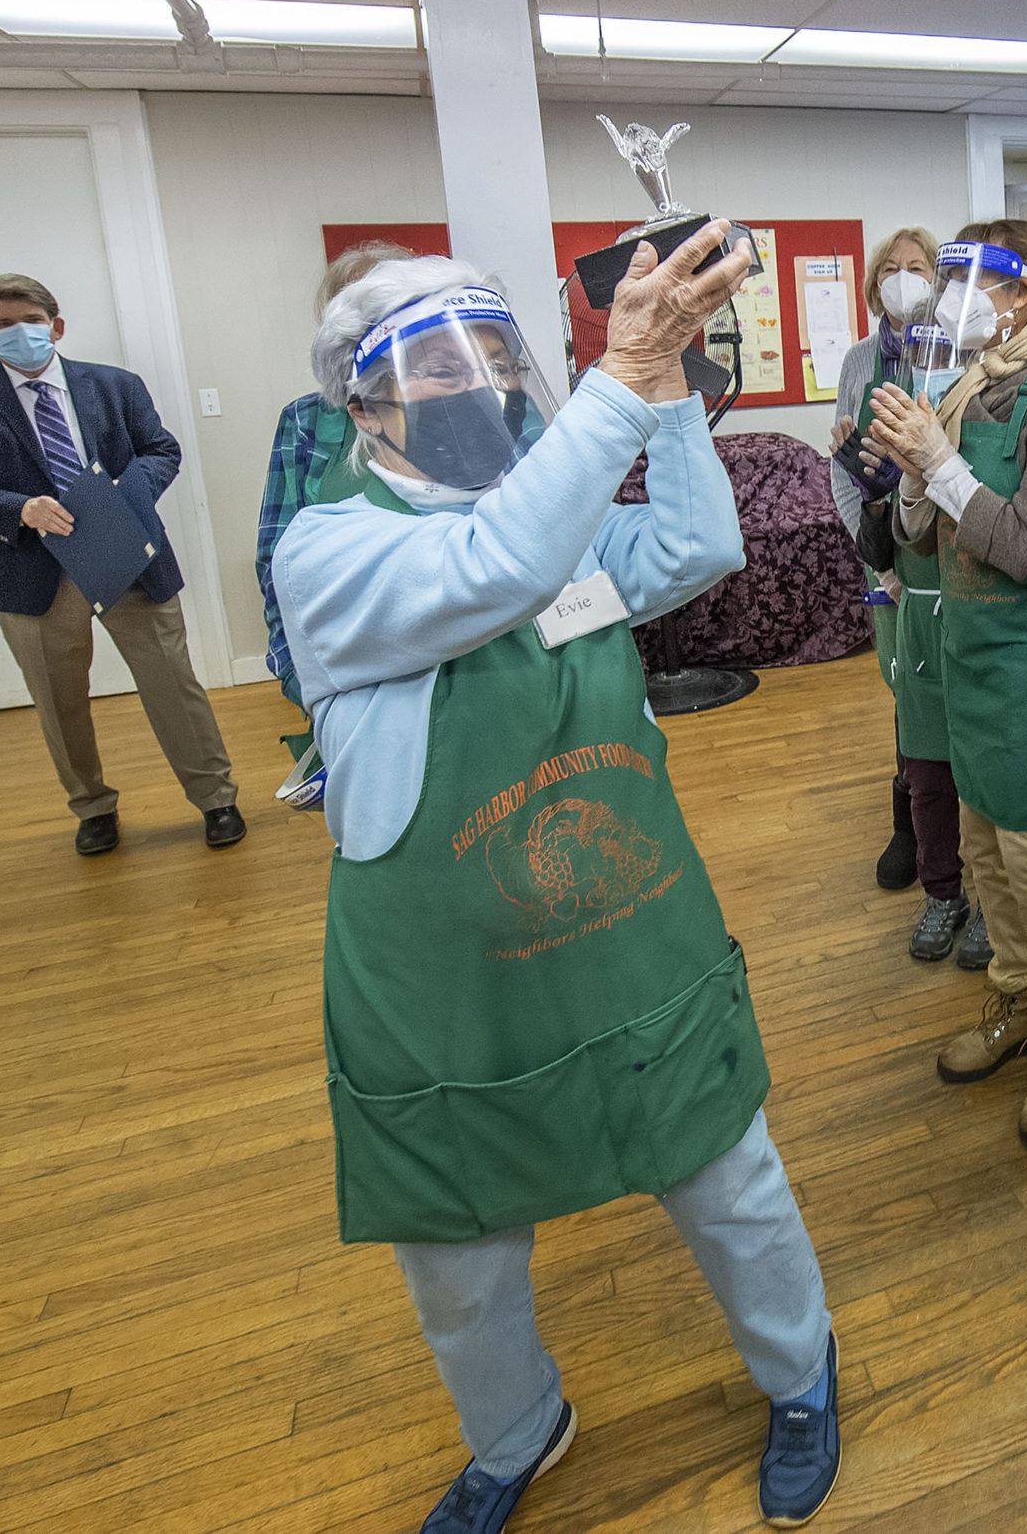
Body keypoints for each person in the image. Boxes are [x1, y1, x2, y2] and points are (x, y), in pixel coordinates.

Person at [274, 228, 843, 1534]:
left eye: (487, 352)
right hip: (447, 985)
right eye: (432, 362)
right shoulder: (334, 547)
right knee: (458, 1250)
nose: (474, 382)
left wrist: (671, 382)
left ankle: (801, 1367)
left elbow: (697, 545)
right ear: (361, 402)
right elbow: (496, 573)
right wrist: (617, 378)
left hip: (622, 926)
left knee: (725, 1173)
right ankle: (515, 1429)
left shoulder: (551, 512)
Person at [868, 220, 1027, 1149]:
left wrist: (939, 461)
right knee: (981, 846)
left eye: (973, 279)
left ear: (1025, 294)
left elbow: (1020, 545)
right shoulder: (971, 378)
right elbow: (923, 534)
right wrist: (910, 473)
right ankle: (1012, 995)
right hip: (967, 652)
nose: (954, 296)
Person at [0, 273, 243, 856]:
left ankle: (217, 799)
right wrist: (19, 508)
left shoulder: (115, 385)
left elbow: (160, 450)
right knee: (58, 697)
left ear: (57, 325)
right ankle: (92, 807)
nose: (20, 333)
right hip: (29, 570)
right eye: (3, 325)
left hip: (127, 557)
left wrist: (125, 493)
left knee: (172, 683)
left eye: (32, 321)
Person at [831, 227, 990, 967]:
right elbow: (848, 470)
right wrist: (880, 551)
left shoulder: (973, 361)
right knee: (917, 728)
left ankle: (988, 896)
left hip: (959, 566)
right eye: (889, 270)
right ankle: (936, 876)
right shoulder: (862, 362)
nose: (902, 280)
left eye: (916, 269)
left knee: (976, 743)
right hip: (893, 567)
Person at [261, 239, 414, 707]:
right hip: (348, 662)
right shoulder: (306, 421)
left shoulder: (457, 407)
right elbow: (276, 558)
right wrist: (298, 675)